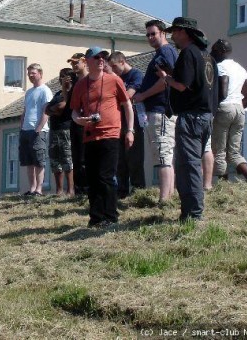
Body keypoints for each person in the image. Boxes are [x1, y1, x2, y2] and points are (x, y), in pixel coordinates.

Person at [157, 17, 218, 221]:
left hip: (191, 116)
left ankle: (193, 214)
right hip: (206, 115)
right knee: (192, 163)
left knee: (188, 165)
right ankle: (192, 211)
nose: (172, 36)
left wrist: (166, 78)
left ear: (183, 32)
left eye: (174, 32)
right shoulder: (207, 56)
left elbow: (183, 85)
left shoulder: (188, 53)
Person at [70, 47, 134, 228]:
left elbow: (127, 105)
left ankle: (111, 216)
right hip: (90, 136)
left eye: (103, 57)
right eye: (96, 57)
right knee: (92, 178)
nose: (101, 60)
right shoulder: (81, 85)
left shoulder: (114, 80)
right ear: (87, 61)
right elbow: (74, 111)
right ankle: (96, 218)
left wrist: (130, 130)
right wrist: (79, 121)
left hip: (111, 134)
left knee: (106, 176)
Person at [133, 20, 178, 204]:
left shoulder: (166, 52)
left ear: (163, 33)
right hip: (159, 111)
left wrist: (143, 95)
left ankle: (164, 199)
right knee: (164, 155)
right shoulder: (164, 53)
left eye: (154, 33)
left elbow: (166, 80)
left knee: (163, 156)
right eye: (148, 34)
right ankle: (169, 195)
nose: (150, 37)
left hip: (161, 111)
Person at [210, 39, 247, 186]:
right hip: (239, 109)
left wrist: (213, 108)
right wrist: (237, 106)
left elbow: (223, 92)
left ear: (221, 52)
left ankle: (222, 186)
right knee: (234, 151)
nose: (212, 54)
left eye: (214, 52)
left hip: (224, 107)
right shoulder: (240, 68)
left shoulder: (220, 66)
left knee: (219, 150)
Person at [108, 52, 146, 198]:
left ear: (123, 62)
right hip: (118, 121)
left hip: (134, 120)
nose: (113, 70)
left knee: (134, 157)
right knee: (120, 159)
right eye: (111, 67)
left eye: (115, 66)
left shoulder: (135, 75)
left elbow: (128, 95)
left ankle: (138, 190)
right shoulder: (116, 77)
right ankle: (121, 191)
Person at [19, 63, 53, 196]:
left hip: (38, 130)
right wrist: (21, 126)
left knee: (39, 160)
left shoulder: (45, 90)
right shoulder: (29, 92)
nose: (30, 76)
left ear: (40, 73)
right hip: (26, 130)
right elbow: (25, 111)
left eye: (33, 73)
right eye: (29, 73)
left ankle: (39, 189)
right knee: (29, 161)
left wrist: (39, 128)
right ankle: (32, 188)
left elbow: (46, 111)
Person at [45, 68, 76, 196]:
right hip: (54, 130)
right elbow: (47, 109)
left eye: (65, 77)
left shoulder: (72, 93)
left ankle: (70, 190)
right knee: (55, 160)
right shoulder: (57, 94)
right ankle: (59, 190)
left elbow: (61, 107)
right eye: (61, 77)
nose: (62, 79)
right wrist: (54, 109)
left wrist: (55, 109)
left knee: (67, 160)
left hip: (66, 130)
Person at [67, 53, 89, 195]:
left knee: (85, 156)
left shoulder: (90, 79)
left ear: (85, 62)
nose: (74, 65)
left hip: (88, 121)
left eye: (77, 62)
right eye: (72, 63)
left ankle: (88, 187)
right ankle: (79, 189)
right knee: (76, 157)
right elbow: (69, 104)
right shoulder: (74, 81)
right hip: (75, 121)